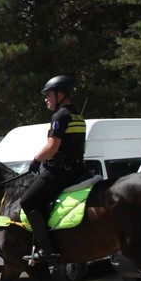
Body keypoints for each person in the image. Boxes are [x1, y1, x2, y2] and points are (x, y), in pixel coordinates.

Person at [21, 74, 87, 266]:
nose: (46, 99)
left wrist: (35, 160)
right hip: (78, 170)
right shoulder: (78, 116)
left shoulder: (59, 116)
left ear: (61, 95)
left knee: (28, 201)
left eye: (49, 95)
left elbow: (52, 147)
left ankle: (46, 250)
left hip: (60, 172)